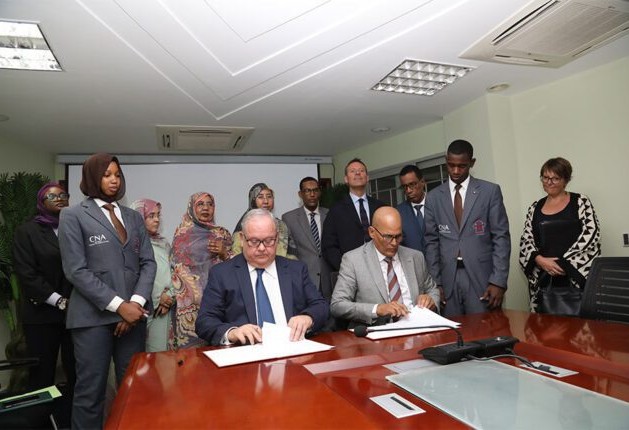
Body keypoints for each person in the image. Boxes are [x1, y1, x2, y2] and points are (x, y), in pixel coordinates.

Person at [58, 153, 156, 429]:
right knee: (91, 393)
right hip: (92, 319)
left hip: (133, 318)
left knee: (133, 389)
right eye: (106, 175)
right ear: (92, 177)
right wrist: (119, 306)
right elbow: (76, 270)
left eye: (117, 174)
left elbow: (148, 263)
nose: (114, 180)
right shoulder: (73, 215)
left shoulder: (133, 217)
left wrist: (134, 304)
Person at [195, 209, 328, 346]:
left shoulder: (296, 270)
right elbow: (204, 321)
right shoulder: (222, 274)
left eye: (269, 240)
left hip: (292, 348)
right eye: (254, 241)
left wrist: (308, 318)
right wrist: (232, 332)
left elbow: (321, 305)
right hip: (246, 351)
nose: (262, 248)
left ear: (277, 238)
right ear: (242, 239)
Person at [13, 181, 75, 427]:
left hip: (74, 315)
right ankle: (40, 424)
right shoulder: (27, 231)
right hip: (41, 315)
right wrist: (59, 301)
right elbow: (27, 275)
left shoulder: (75, 227)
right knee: (42, 377)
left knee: (76, 373)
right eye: (52, 196)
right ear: (41, 201)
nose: (59, 198)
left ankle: (70, 422)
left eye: (63, 195)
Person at [424, 140, 510, 317]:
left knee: (486, 329)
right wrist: (435, 283)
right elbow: (431, 242)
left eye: (462, 166)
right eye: (451, 165)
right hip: (448, 279)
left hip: (482, 279)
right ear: (446, 161)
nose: (455, 171)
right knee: (451, 331)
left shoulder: (489, 191)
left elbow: (501, 237)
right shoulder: (433, 197)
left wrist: (498, 281)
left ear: (472, 163)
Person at [330, 207, 439, 327]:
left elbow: (432, 290)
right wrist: (377, 309)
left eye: (398, 236)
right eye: (388, 237)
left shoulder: (415, 257)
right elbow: (337, 305)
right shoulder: (353, 260)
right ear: (372, 232)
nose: (394, 243)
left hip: (417, 327)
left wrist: (430, 300)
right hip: (379, 332)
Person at [519, 157, 601, 312]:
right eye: (545, 177)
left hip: (576, 277)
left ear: (566, 180)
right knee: (544, 324)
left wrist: (563, 264)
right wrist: (540, 260)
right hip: (544, 278)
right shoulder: (534, 207)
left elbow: (591, 234)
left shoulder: (581, 202)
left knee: (580, 325)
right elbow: (526, 240)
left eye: (555, 178)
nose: (549, 182)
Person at [170, 192, 233, 349]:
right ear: (192, 208)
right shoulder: (181, 233)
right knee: (190, 354)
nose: (206, 208)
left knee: (218, 349)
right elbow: (174, 267)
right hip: (188, 303)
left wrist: (224, 253)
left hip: (217, 298)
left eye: (210, 204)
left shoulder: (222, 234)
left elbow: (236, 267)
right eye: (200, 204)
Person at [322, 158, 386, 272]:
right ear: (346, 179)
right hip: (351, 270)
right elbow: (329, 246)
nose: (357, 173)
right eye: (352, 171)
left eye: (361, 170)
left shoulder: (380, 207)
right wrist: (346, 268)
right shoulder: (336, 210)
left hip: (381, 267)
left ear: (367, 177)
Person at [130, 198, 175, 352]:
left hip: (162, 310)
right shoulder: (130, 244)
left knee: (159, 355)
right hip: (137, 307)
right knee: (133, 358)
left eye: (158, 215)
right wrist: (157, 297)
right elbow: (134, 275)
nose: (156, 220)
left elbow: (175, 271)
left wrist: (169, 296)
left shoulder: (164, 243)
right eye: (151, 216)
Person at [281, 177, 331, 298]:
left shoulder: (330, 214)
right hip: (303, 279)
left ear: (319, 192)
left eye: (315, 190)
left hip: (328, 279)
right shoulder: (289, 218)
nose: (312, 194)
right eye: (307, 191)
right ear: (300, 194)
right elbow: (289, 252)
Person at [232, 183, 297, 258]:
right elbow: (237, 256)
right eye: (260, 197)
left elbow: (292, 254)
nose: (266, 201)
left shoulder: (281, 225)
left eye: (269, 197)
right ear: (252, 200)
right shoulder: (245, 225)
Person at [397, 164, 428, 253]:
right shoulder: (398, 212)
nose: (408, 190)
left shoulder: (437, 204)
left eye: (412, 184)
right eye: (404, 186)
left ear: (422, 182)